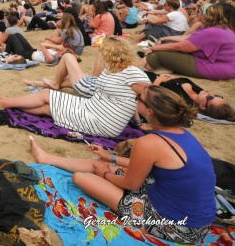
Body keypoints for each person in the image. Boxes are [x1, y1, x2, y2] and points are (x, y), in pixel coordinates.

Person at [28, 85, 216, 244]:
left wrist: (105, 174)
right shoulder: (182, 135)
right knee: (104, 164)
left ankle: (58, 162)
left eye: (138, 98)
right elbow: (144, 166)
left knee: (82, 178)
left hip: (177, 225)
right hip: (198, 220)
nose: (135, 100)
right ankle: (48, 159)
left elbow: (130, 184)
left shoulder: (150, 142)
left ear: (149, 111)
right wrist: (110, 158)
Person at [0, 37, 151, 138]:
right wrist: (136, 122)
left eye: (104, 52)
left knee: (46, 96)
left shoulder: (133, 73)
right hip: (92, 107)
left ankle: (5, 103)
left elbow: (150, 101)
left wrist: (146, 124)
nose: (101, 55)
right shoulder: (111, 68)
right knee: (46, 108)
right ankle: (8, 104)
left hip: (102, 121)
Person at [143, 2, 235, 80]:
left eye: (198, 12)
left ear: (204, 15)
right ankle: (156, 67)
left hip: (214, 67)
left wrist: (154, 48)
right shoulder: (218, 28)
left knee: (158, 55)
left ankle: (142, 70)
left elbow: (180, 47)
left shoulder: (212, 31)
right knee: (166, 46)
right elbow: (187, 39)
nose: (196, 14)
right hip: (220, 65)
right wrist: (163, 39)